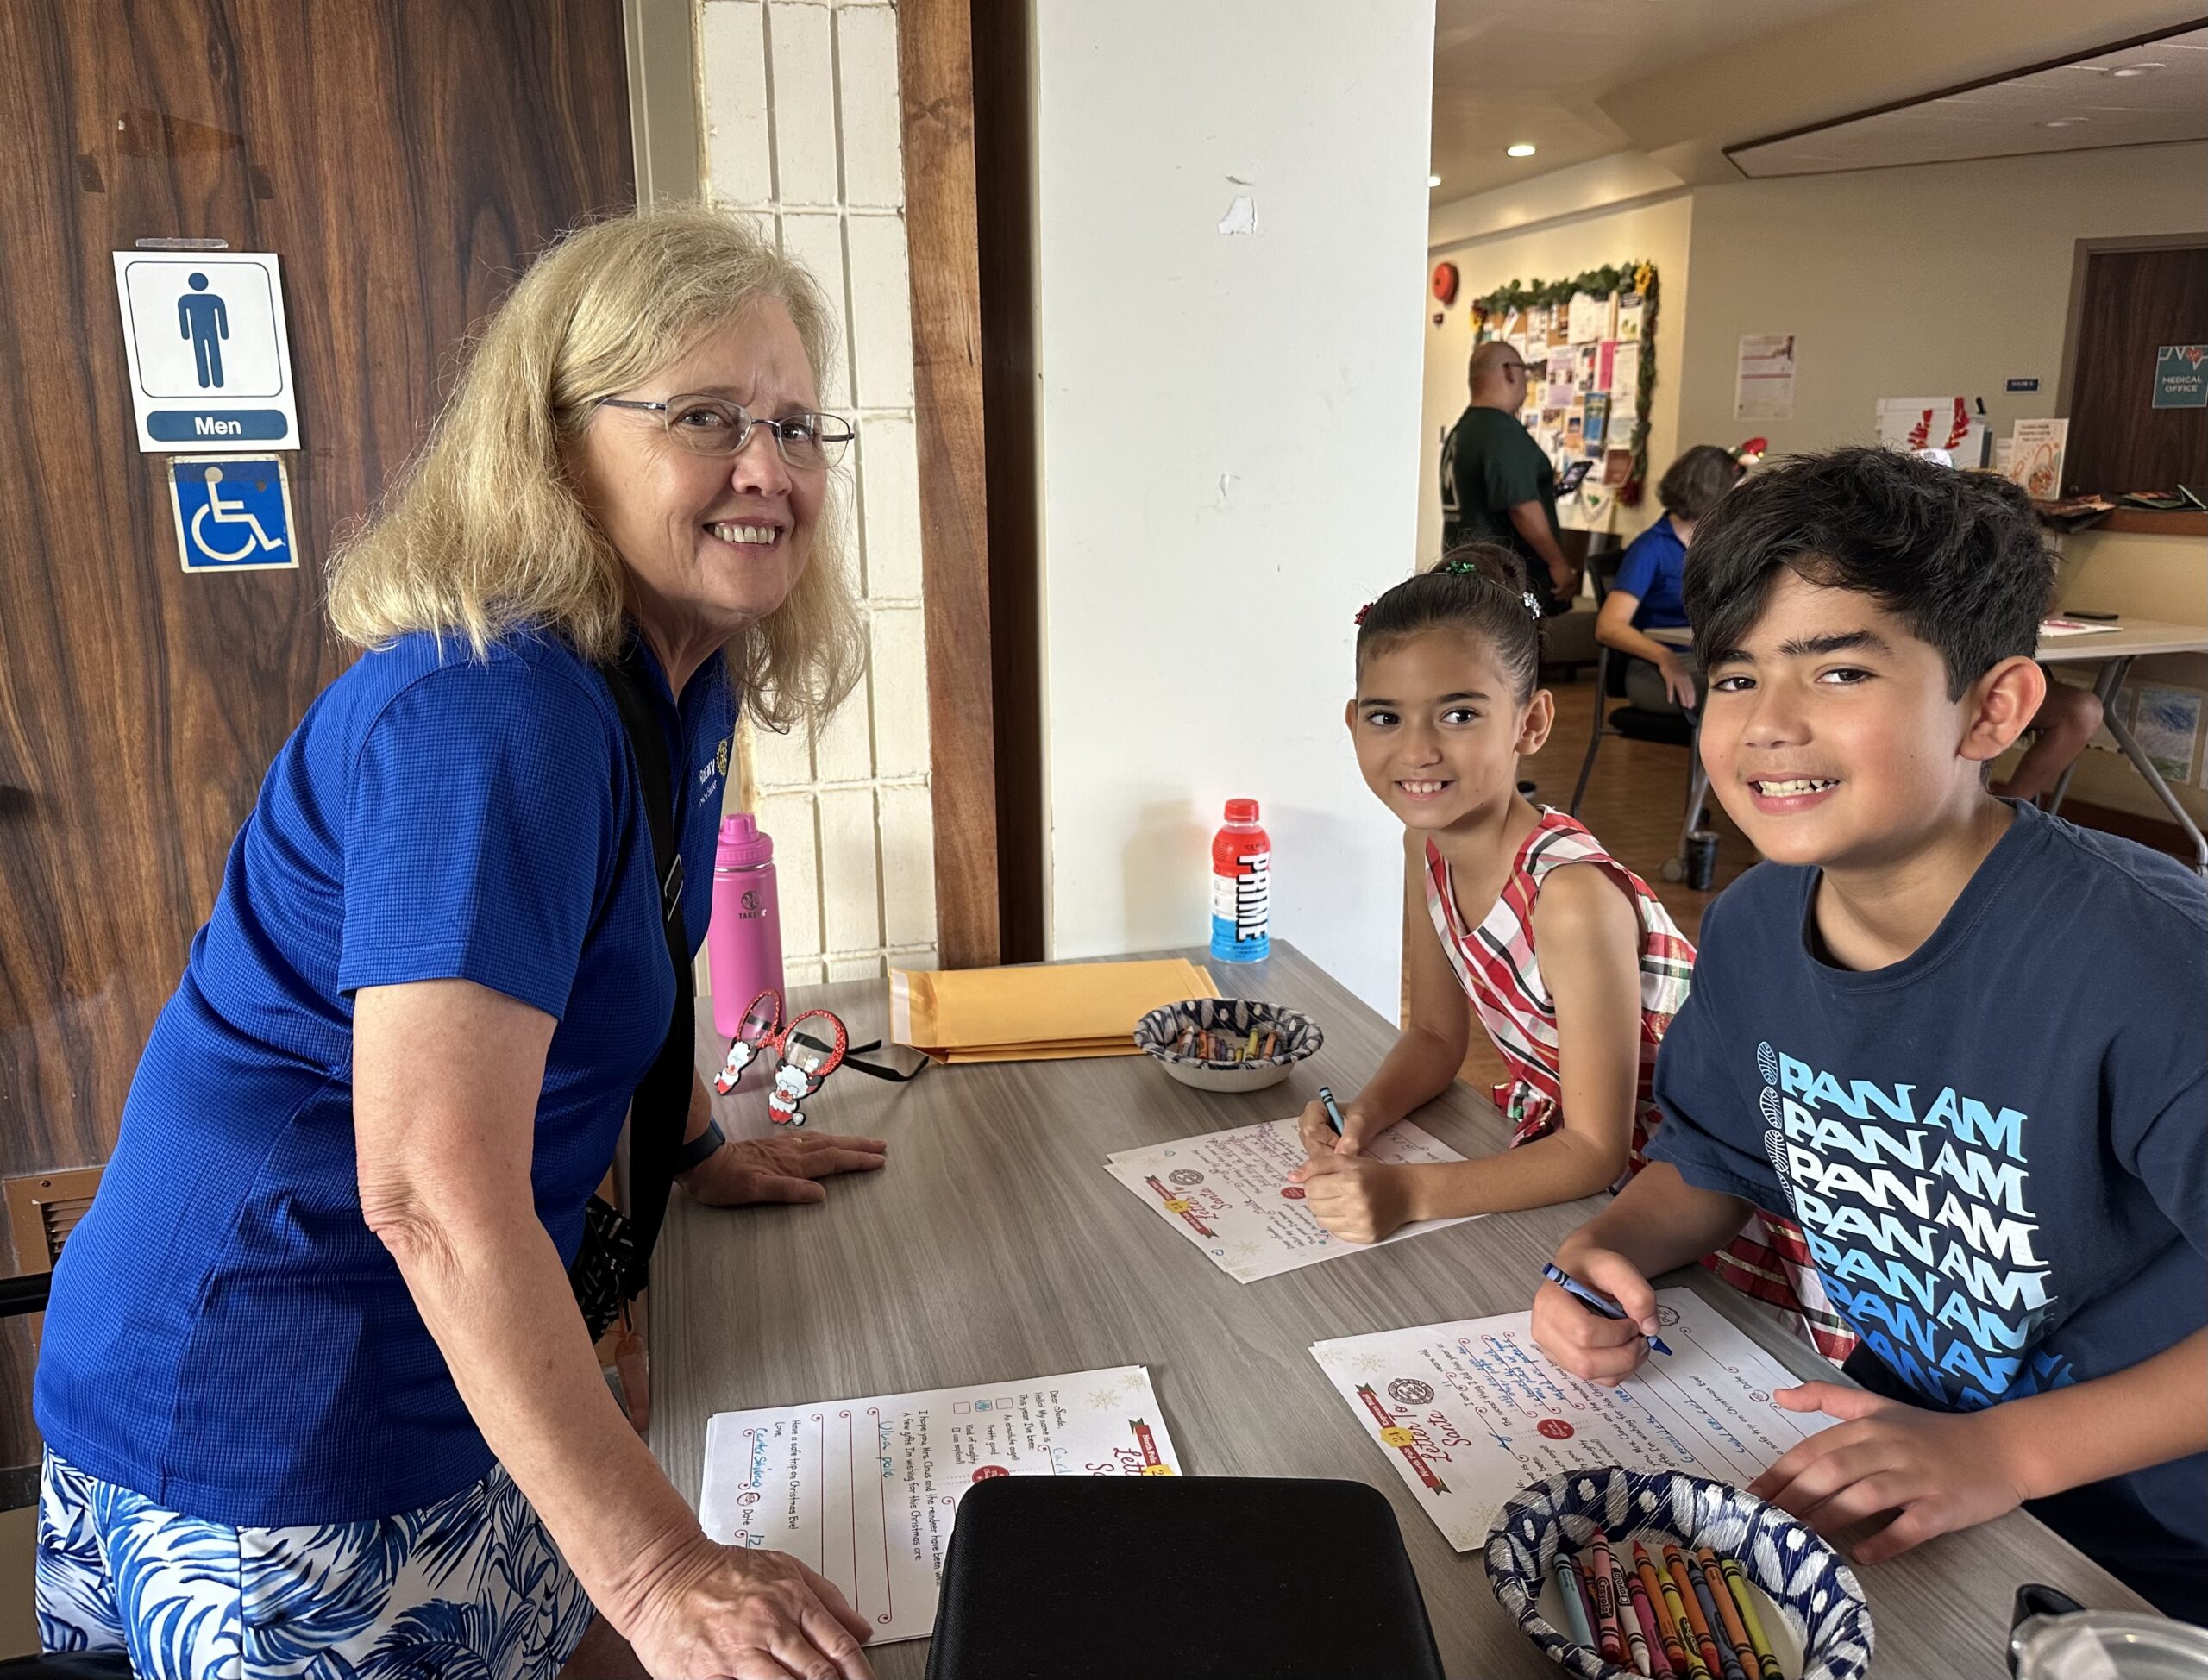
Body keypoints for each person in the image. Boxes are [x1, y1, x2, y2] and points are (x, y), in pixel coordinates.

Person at [34, 208, 894, 1679]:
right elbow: (429, 1192)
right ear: (553, 445)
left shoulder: (668, 678)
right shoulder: (495, 708)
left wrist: (694, 1145)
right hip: (279, 1411)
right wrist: (661, 1570)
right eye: (705, 416)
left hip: (453, 1355)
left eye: (797, 424)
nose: (769, 468)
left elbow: (616, 961)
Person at [1530, 448, 2206, 1621]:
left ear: (1992, 708)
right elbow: (1713, 1161)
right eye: (1734, 676)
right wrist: (1605, 1248)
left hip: (2147, 1536)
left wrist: (2006, 1455)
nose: (1768, 725)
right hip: (1903, 1450)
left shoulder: (2148, 964)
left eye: (1839, 671)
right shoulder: (1753, 927)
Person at [1286, 547, 1846, 1358]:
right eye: (1385, 718)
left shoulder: (1570, 896)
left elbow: (1594, 1148)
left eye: (1459, 715)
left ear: (1532, 723)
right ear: (1352, 723)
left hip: (1696, 1191)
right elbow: (1436, 1039)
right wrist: (1361, 1122)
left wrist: (1406, 1191)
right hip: (1583, 1165)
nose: (1417, 751)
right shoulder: (1425, 846)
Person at [1593, 444, 1741, 714]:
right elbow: (1608, 626)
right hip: (1654, 667)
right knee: (1735, 695)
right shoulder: (1650, 549)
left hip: (1701, 659)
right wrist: (1664, 656)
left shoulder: (1714, 545)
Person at [1440, 341, 1579, 612]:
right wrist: (1558, 563)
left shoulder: (1462, 430)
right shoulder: (1501, 430)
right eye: (1525, 372)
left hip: (1462, 569)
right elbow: (1521, 507)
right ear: (1509, 372)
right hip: (1503, 579)